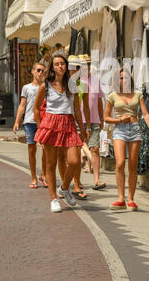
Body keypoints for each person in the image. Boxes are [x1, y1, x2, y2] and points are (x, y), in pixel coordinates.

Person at [33, 52, 86, 213]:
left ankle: (64, 188)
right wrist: (40, 126)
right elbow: (36, 108)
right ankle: (53, 199)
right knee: (51, 163)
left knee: (75, 161)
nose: (60, 66)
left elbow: (77, 109)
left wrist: (83, 129)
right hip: (51, 123)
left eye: (62, 64)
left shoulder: (72, 85)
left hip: (68, 124)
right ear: (52, 67)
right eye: (56, 64)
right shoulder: (46, 85)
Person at [104, 67, 149, 211]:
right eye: (121, 78)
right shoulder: (112, 96)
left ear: (130, 79)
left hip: (135, 129)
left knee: (133, 164)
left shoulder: (138, 94)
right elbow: (106, 118)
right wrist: (120, 121)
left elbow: (145, 114)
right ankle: (121, 198)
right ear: (117, 80)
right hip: (119, 130)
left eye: (126, 77)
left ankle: (131, 199)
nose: (124, 80)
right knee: (120, 163)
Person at [13, 61, 47, 189]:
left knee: (45, 149)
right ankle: (33, 177)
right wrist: (17, 121)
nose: (40, 73)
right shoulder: (26, 87)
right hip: (29, 121)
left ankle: (44, 175)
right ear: (32, 71)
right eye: (38, 70)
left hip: (44, 122)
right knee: (31, 150)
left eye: (43, 71)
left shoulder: (47, 86)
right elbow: (22, 105)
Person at [79, 54, 106, 191]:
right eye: (84, 64)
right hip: (79, 120)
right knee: (78, 150)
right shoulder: (76, 81)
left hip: (94, 120)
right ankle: (77, 182)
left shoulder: (95, 80)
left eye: (88, 64)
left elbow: (99, 100)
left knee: (95, 149)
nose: (86, 67)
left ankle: (96, 180)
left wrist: (101, 118)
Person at [67, 54, 91, 200]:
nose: (75, 70)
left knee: (75, 156)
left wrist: (87, 126)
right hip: (61, 122)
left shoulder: (83, 85)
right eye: (72, 67)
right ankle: (65, 185)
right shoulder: (61, 84)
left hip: (76, 122)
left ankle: (76, 185)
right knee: (64, 158)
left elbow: (85, 107)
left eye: (78, 67)